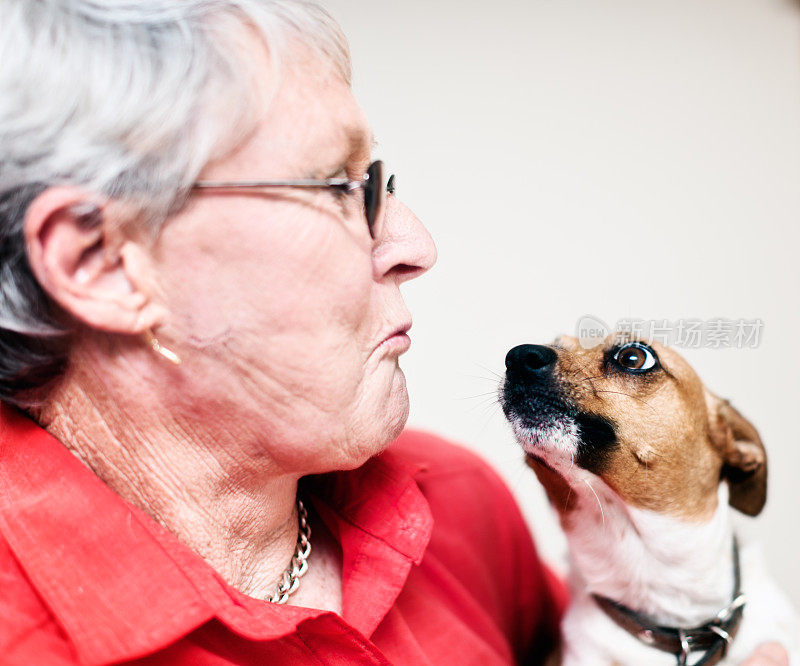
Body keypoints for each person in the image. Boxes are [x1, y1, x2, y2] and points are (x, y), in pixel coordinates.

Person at [0, 2, 788, 665]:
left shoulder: (461, 507)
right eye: (340, 186)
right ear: (103, 263)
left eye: (382, 183)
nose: (415, 242)